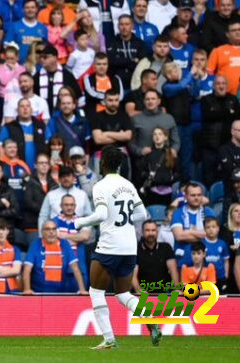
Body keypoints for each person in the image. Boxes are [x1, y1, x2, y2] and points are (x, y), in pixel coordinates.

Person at [73, 145, 159, 349]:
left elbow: (101, 215)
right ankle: (150, 319)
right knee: (122, 294)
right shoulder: (128, 185)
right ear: (120, 164)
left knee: (95, 292)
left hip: (110, 246)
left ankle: (110, 339)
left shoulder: (101, 185)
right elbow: (142, 215)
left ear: (102, 163)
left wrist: (80, 222)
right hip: (129, 247)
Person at [201, 75, 240, 187]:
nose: (221, 86)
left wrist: (218, 113)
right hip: (210, 146)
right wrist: (229, 112)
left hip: (229, 145)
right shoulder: (206, 99)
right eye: (218, 84)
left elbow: (239, 116)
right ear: (213, 86)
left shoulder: (233, 99)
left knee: (230, 174)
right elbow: (208, 116)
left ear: (227, 85)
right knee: (209, 176)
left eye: (223, 83)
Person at [170, 182, 217, 268]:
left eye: (199, 195)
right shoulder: (178, 213)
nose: (196, 198)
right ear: (185, 197)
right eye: (193, 195)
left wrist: (189, 231)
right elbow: (179, 236)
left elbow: (211, 234)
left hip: (205, 262)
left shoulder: (208, 212)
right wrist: (200, 234)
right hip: (183, 261)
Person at [89, 89, 132, 177]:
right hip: (102, 156)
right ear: (104, 101)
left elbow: (128, 136)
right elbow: (98, 139)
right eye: (110, 100)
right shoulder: (97, 116)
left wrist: (106, 134)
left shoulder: (124, 116)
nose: (113, 103)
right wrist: (119, 135)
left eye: (116, 100)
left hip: (121, 157)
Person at [207, 20, 240, 95]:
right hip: (225, 95)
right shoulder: (218, 51)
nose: (237, 32)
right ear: (227, 34)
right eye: (233, 30)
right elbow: (209, 73)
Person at [51, 194, 92, 287]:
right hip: (59, 265)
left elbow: (85, 236)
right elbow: (53, 238)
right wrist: (76, 237)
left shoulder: (82, 221)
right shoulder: (53, 221)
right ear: (61, 206)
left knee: (81, 297)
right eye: (66, 205)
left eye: (71, 205)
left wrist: (63, 236)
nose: (69, 207)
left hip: (79, 266)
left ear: (75, 206)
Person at [132, 220, 179, 294]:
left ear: (157, 232)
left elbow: (173, 270)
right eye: (147, 230)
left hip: (164, 292)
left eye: (153, 230)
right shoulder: (136, 249)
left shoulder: (166, 248)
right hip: (143, 293)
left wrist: (176, 289)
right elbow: (133, 274)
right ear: (142, 232)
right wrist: (138, 290)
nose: (150, 233)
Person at [0, 98, 47, 171]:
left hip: (39, 170)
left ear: (31, 110)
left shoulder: (41, 126)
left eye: (27, 106)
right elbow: (1, 150)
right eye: (22, 106)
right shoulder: (8, 127)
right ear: (17, 110)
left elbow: (52, 145)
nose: (25, 109)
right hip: (16, 170)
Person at [34, 44, 81, 115]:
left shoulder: (67, 75)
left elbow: (76, 96)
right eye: (41, 57)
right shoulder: (36, 77)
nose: (42, 59)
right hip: (42, 116)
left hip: (62, 116)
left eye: (45, 57)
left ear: (55, 57)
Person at [139, 127, 178, 206]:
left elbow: (178, 172)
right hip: (152, 191)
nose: (157, 136)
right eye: (155, 134)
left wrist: (171, 178)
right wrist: (149, 176)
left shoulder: (171, 153)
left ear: (165, 137)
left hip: (168, 191)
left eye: (160, 134)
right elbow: (141, 171)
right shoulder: (148, 154)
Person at [106, 15, 147, 87]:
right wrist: (132, 60)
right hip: (116, 82)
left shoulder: (140, 43)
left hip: (136, 82)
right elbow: (112, 62)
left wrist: (121, 61)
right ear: (118, 26)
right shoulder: (111, 42)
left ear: (132, 26)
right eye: (121, 24)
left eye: (127, 24)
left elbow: (142, 62)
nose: (124, 27)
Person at [201, 217, 230, 292]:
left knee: (222, 299)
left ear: (218, 228)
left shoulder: (222, 244)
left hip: (220, 277)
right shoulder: (202, 243)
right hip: (206, 277)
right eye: (208, 227)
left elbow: (226, 260)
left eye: (213, 227)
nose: (211, 229)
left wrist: (226, 274)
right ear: (204, 229)